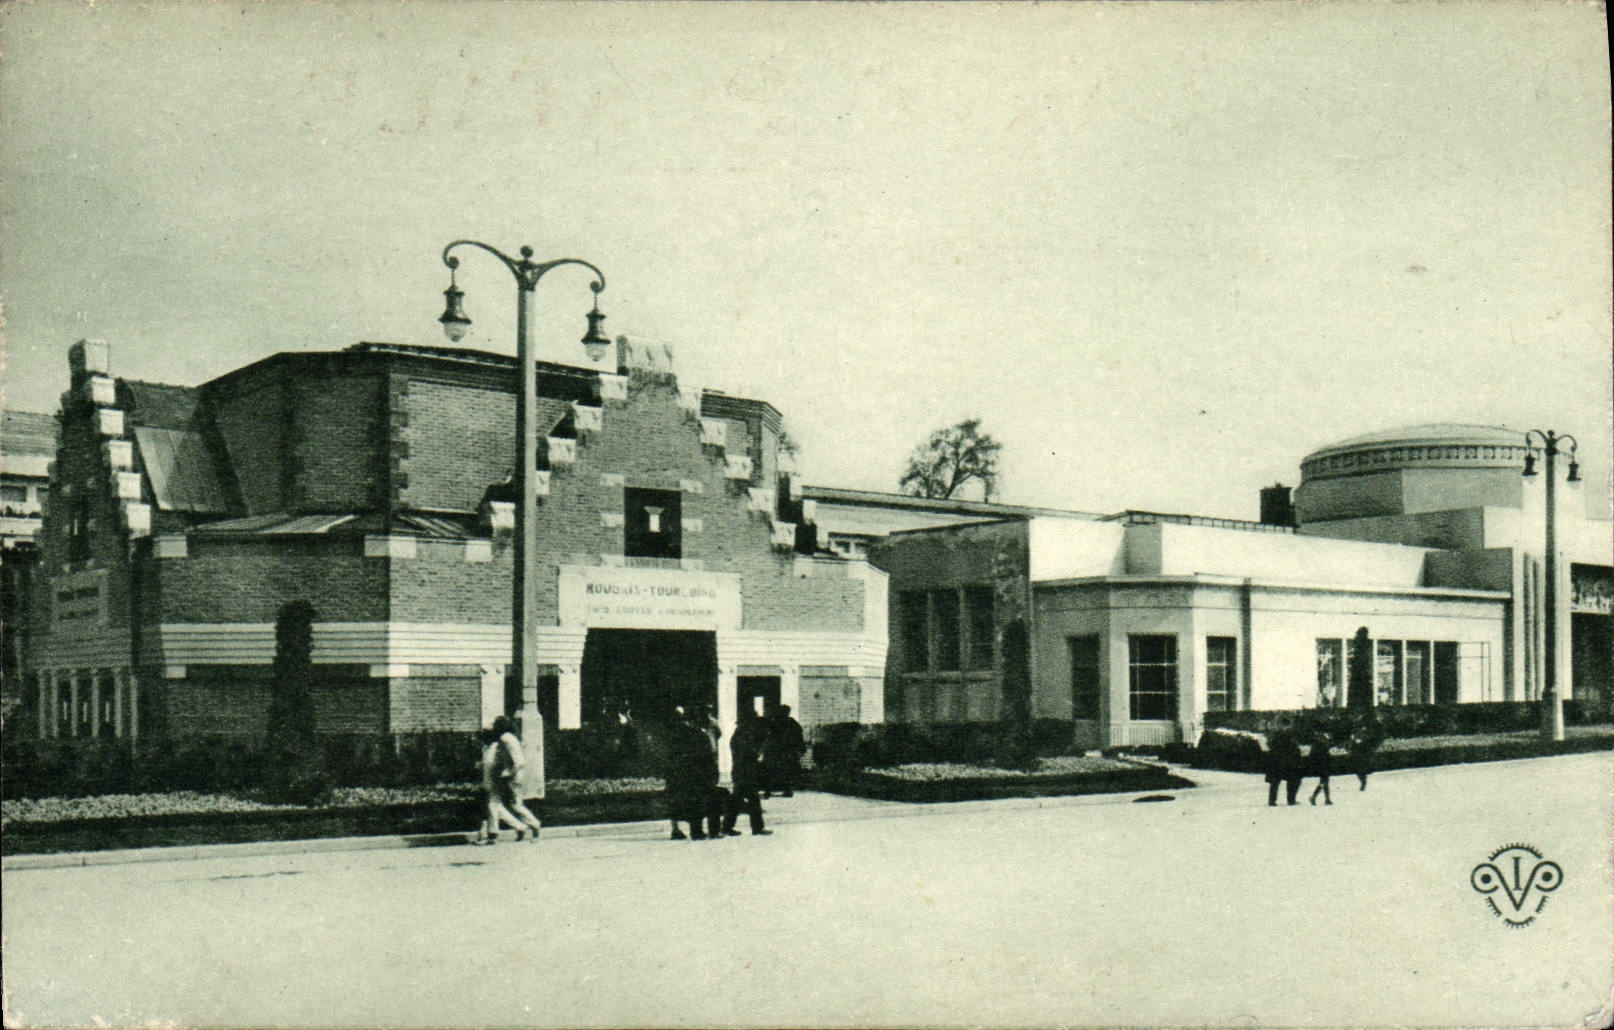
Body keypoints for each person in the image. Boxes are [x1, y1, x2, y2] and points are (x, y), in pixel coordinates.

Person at [491, 715, 543, 840]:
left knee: (514, 804)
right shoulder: (511, 737)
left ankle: (534, 824)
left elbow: (519, 761)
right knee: (513, 803)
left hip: (512, 776)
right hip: (516, 775)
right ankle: (521, 829)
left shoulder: (505, 739)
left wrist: (509, 773)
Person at [723, 706, 771, 836]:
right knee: (751, 799)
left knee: (738, 799)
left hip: (740, 770)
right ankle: (756, 828)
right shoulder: (745, 735)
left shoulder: (739, 734)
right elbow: (748, 752)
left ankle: (727, 826)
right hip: (745, 770)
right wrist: (759, 750)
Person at [474, 727, 525, 844]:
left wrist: (502, 778)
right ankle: (520, 827)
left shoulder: (497, 748)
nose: (481, 741)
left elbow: (500, 764)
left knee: (492, 806)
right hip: (487, 782)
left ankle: (493, 834)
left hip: (496, 782)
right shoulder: (485, 749)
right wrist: (479, 765)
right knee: (498, 808)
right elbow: (485, 764)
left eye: (483, 738)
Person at [762, 703, 805, 798]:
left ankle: (775, 791)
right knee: (778, 771)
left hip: (782, 751)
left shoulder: (781, 722)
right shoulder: (782, 722)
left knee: (779, 771)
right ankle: (780, 790)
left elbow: (798, 737)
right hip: (780, 751)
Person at [1265, 718, 1304, 807]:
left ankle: (1272, 801)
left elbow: (1270, 745)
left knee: (1276, 782)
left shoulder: (1275, 734)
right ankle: (1290, 800)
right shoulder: (1288, 735)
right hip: (1286, 761)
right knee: (1291, 780)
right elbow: (1293, 747)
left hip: (1277, 761)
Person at [1350, 715, 1384, 791]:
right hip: (1357, 751)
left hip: (1364, 750)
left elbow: (1371, 739)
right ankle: (1363, 781)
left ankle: (1363, 781)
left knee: (1362, 767)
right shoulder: (1355, 731)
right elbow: (1352, 739)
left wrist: (1362, 741)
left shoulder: (1367, 731)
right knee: (1358, 768)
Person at [1307, 725, 1335, 806]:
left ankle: (1325, 798)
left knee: (1324, 782)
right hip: (1322, 765)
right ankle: (1316, 797)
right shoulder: (1319, 745)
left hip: (1322, 765)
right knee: (1324, 782)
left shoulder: (1318, 744)